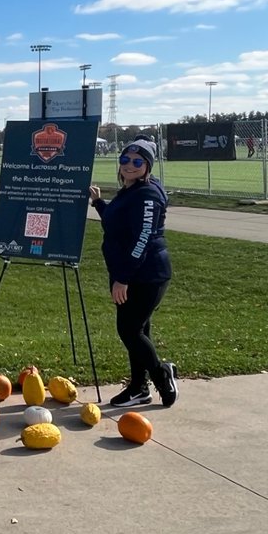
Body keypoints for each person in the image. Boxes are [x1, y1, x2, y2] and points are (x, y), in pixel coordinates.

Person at [89, 139, 177, 409]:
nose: (130, 165)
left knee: (129, 330)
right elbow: (119, 223)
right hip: (130, 271)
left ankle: (163, 375)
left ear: (147, 165)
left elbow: (143, 239)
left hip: (147, 274)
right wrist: (98, 203)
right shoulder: (130, 190)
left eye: (137, 162)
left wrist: (123, 278)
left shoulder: (147, 194)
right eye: (126, 160)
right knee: (138, 330)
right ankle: (139, 388)